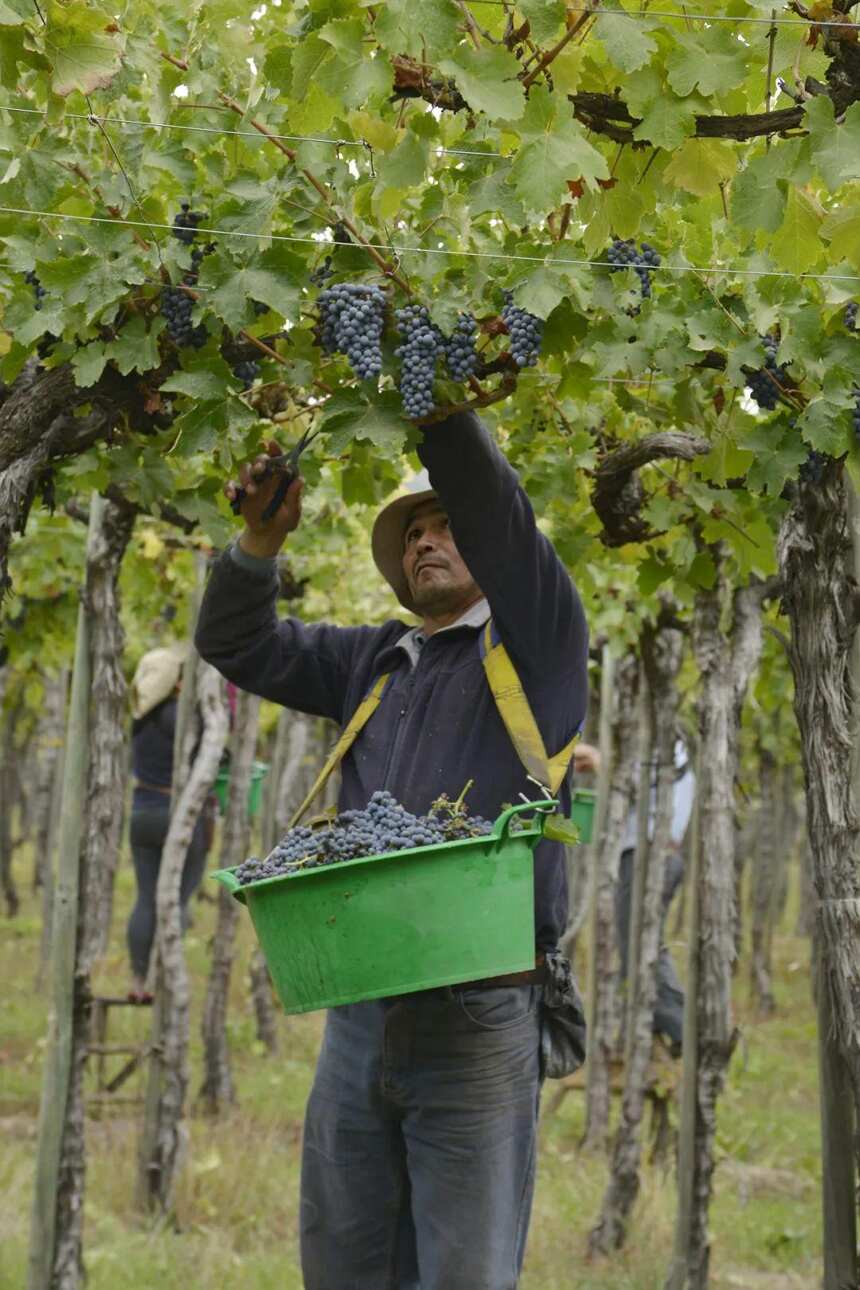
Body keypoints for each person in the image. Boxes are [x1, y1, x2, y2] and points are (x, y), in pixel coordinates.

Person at [194, 411, 589, 1290]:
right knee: (344, 1258)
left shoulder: (540, 645)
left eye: (448, 525)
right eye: (413, 532)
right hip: (360, 1008)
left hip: (479, 1015)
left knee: (463, 1272)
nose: (428, 541)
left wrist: (434, 399)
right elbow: (235, 643)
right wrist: (259, 541)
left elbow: (500, 511)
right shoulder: (375, 659)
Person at [126, 644, 213, 1003]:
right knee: (176, 899)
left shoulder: (139, 715)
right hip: (178, 815)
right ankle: (166, 976)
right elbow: (216, 752)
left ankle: (138, 980)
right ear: (177, 682)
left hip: (143, 812)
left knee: (146, 897)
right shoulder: (179, 718)